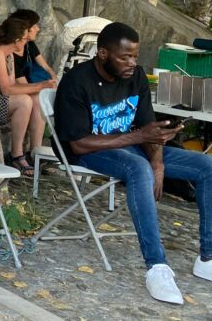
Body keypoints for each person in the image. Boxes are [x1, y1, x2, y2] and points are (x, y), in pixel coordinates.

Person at [54, 22, 212, 306]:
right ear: (102, 54)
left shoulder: (135, 76)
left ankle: (208, 257)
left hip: (133, 146)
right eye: (124, 57)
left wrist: (159, 164)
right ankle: (157, 267)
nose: (132, 63)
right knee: (138, 169)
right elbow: (78, 143)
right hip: (91, 150)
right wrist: (139, 140)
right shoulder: (77, 81)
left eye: (135, 56)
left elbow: (149, 126)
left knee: (205, 165)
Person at [0, 17, 54, 177]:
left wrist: (40, 87)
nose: (26, 42)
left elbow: (13, 86)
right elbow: (6, 89)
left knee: (35, 97)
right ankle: (16, 154)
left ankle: (35, 152)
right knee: (24, 101)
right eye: (24, 39)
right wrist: (41, 85)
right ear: (16, 41)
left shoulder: (8, 56)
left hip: (0, 98)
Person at [8, 9, 57, 84]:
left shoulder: (29, 44)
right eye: (34, 26)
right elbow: (23, 85)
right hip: (27, 90)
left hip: (38, 84)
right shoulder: (10, 55)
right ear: (24, 29)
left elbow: (45, 66)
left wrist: (55, 80)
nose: (38, 29)